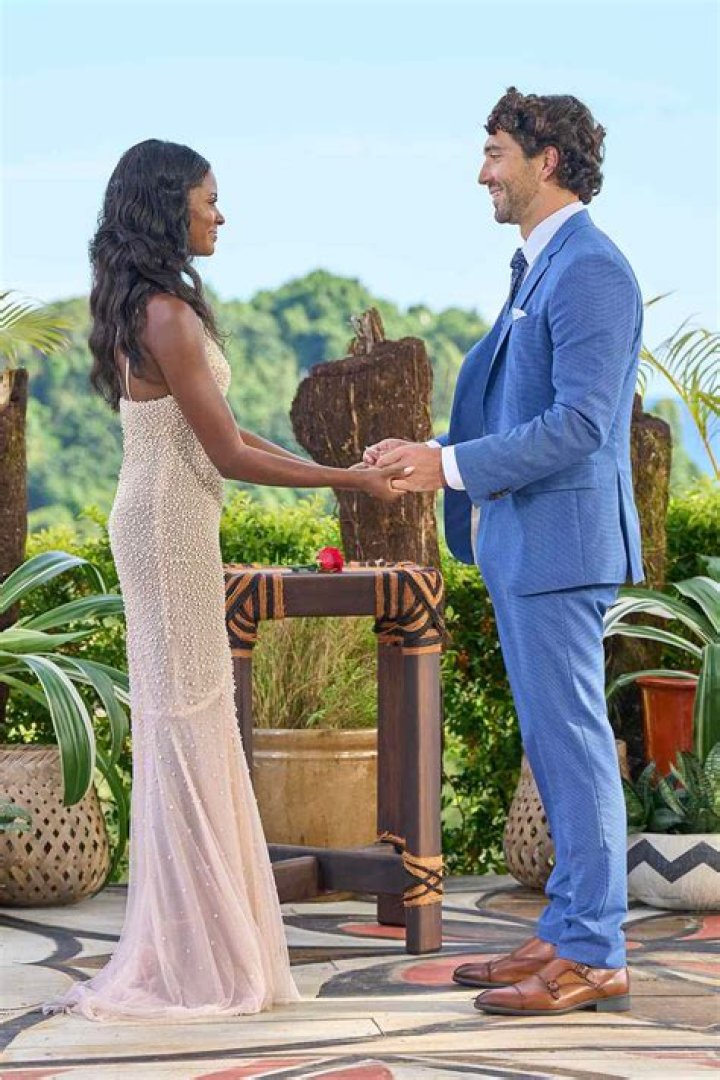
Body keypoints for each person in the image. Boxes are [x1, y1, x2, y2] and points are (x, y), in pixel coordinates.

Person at [45, 139, 408, 1021]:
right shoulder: (166, 315)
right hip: (165, 527)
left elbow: (233, 433)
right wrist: (348, 480)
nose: (220, 215)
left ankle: (200, 947)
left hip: (167, 519)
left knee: (192, 721)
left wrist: (335, 472)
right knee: (189, 720)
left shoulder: (155, 307)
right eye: (209, 199)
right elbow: (229, 454)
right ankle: (197, 962)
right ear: (170, 205)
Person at [364, 88, 643, 1016]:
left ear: (546, 159)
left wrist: (447, 467)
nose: (482, 172)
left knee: (575, 747)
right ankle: (567, 928)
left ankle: (594, 952)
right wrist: (437, 460)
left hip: (562, 548)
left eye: (494, 153)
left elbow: (580, 424)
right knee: (554, 748)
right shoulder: (542, 266)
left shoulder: (590, 269)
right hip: (529, 546)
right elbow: (521, 410)